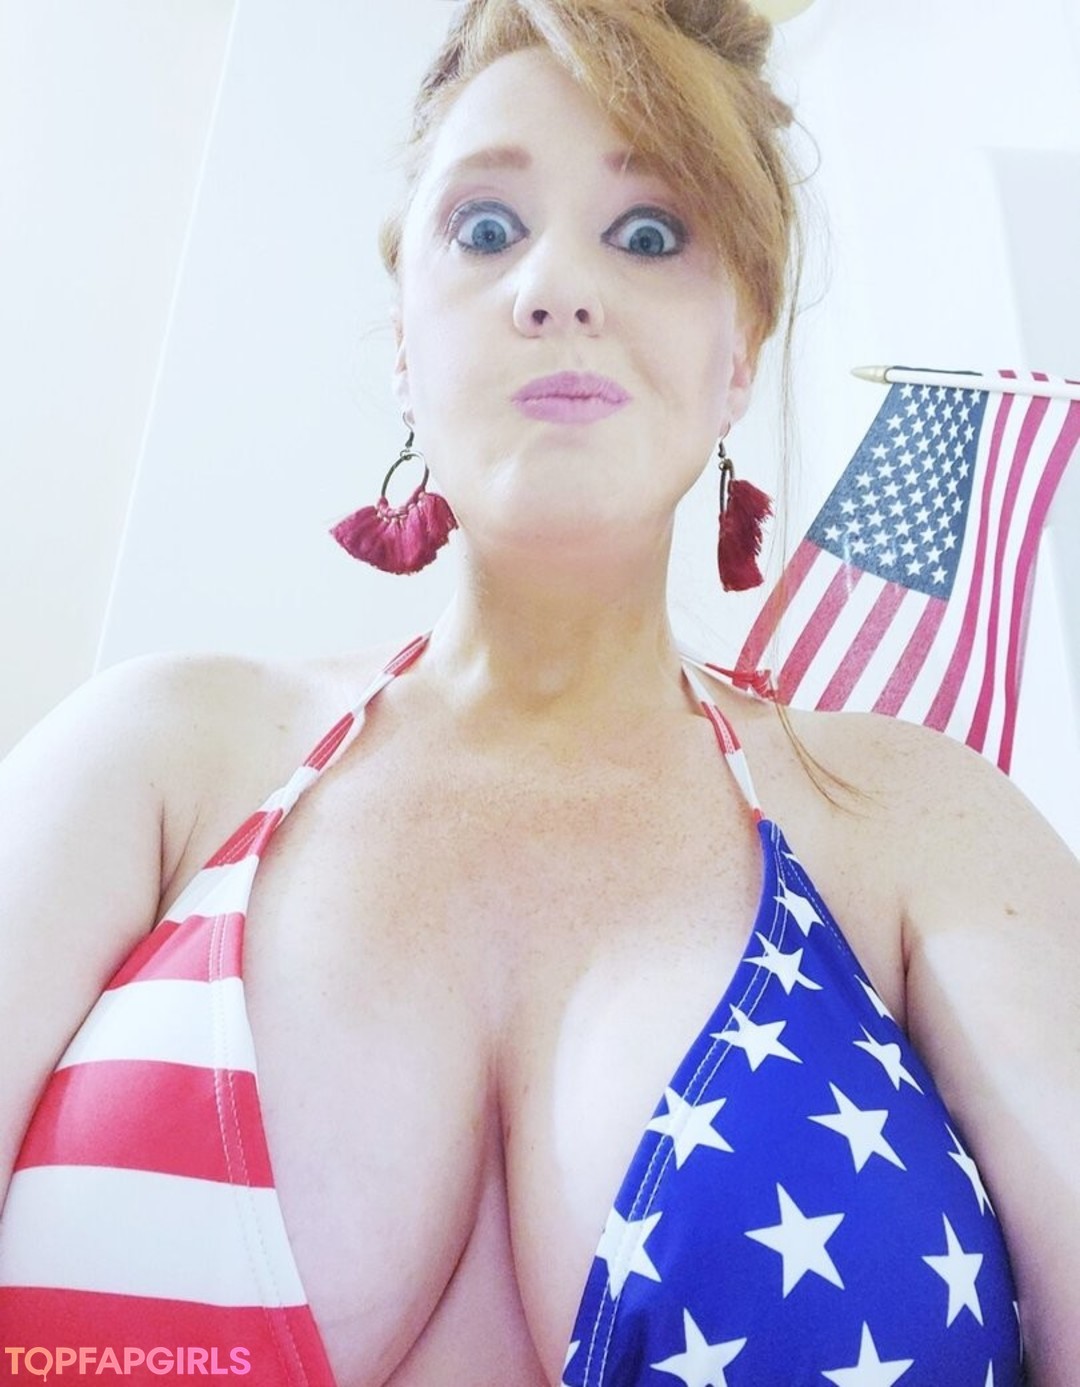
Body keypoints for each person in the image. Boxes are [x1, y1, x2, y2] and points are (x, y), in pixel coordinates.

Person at [0, 1, 1077, 1384]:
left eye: (651, 233)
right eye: (487, 226)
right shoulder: (155, 762)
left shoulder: (922, 825)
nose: (556, 286)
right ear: (405, 337)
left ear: (739, 350)